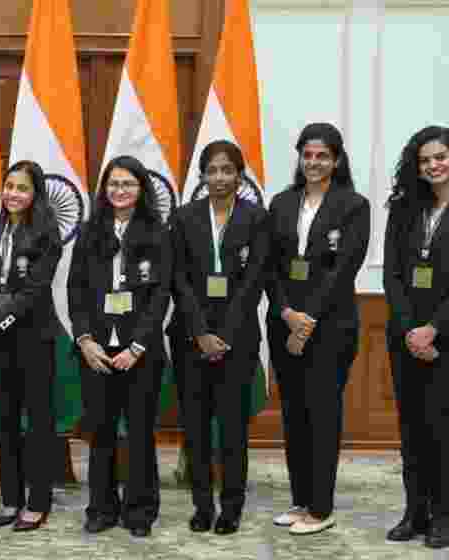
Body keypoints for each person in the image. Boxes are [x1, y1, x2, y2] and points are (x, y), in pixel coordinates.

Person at [266, 123, 369, 535]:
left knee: (322, 415)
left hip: (330, 327)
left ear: (336, 160)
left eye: (322, 156)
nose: (314, 162)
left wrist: (307, 319)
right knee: (294, 415)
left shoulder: (354, 205)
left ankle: (321, 508)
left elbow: (344, 267)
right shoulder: (281, 203)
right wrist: (287, 312)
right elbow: (268, 265)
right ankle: (300, 499)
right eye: (307, 155)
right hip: (285, 323)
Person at [169, 141, 269, 535]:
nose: (220, 177)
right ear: (203, 176)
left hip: (237, 338)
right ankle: (201, 505)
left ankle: (231, 505)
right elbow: (178, 279)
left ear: (239, 176)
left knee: (232, 428)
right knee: (194, 426)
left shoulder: (256, 218)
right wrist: (200, 333)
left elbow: (255, 278)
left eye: (228, 170)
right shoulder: (183, 217)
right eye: (212, 170)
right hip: (190, 338)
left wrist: (223, 334)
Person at [67, 155, 171, 538]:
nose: (120, 190)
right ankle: (101, 508)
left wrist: (138, 346)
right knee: (101, 432)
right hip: (96, 351)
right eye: (113, 184)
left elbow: (161, 296)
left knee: (141, 433)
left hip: (139, 352)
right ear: (104, 189)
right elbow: (75, 291)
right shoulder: (89, 231)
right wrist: (85, 341)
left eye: (128, 184)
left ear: (141, 189)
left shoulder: (158, 233)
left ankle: (140, 510)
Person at [0, 160, 62, 531]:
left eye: (22, 188)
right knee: (4, 421)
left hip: (34, 336)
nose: (12, 193)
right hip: (0, 340)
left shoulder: (46, 234)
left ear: (35, 194)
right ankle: (10, 499)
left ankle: (38, 502)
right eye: (8, 185)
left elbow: (34, 291)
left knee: (38, 422)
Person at [383, 125, 449, 549]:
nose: (433, 165)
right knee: (411, 428)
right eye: (426, 159)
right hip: (405, 335)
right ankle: (413, 511)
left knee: (441, 428)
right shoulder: (405, 207)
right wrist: (412, 328)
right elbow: (392, 272)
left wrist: (434, 329)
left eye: (441, 157)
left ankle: (440, 516)